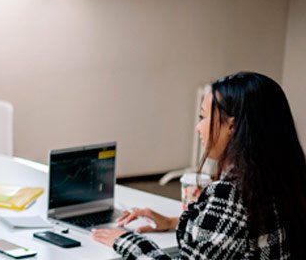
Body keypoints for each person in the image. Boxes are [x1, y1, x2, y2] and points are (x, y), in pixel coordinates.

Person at [92, 71, 306, 259]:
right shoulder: (283, 180)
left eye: (203, 117)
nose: (198, 127)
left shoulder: (233, 195)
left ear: (231, 126)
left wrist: (127, 241)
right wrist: (174, 221)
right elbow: (243, 233)